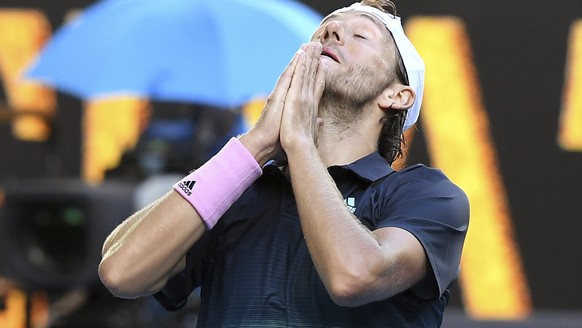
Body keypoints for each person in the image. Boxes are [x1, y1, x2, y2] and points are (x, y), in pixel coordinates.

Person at [98, 0, 470, 326]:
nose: (333, 35)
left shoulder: (425, 196)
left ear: (398, 95)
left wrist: (300, 144)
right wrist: (254, 146)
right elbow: (120, 272)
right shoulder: (238, 189)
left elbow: (353, 276)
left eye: (360, 36)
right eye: (326, 31)